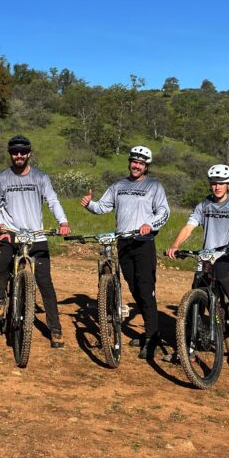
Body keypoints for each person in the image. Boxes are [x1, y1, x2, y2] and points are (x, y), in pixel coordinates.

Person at [81, 145, 169, 358]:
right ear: (130, 163)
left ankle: (152, 337)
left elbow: (164, 212)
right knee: (134, 287)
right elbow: (103, 206)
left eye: (141, 163)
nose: (136, 166)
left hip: (143, 243)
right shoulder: (118, 185)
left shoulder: (154, 185)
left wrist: (150, 224)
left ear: (146, 167)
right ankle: (151, 331)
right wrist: (89, 204)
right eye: (134, 162)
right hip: (124, 243)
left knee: (146, 289)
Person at [0, 135, 70, 349]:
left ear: (29, 154)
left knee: (45, 283)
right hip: (11, 232)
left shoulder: (40, 177)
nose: (19, 155)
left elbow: (52, 200)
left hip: (36, 235)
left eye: (23, 152)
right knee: (1, 261)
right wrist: (0, 226)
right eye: (15, 152)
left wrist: (63, 221)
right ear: (10, 154)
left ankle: (55, 329)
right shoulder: (1, 178)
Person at [166, 164, 229, 336]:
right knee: (196, 292)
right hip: (207, 257)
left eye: (221, 183)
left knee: (221, 268)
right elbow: (189, 227)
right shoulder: (204, 205)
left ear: (228, 184)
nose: (217, 187)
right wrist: (175, 245)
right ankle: (193, 334)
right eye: (213, 183)